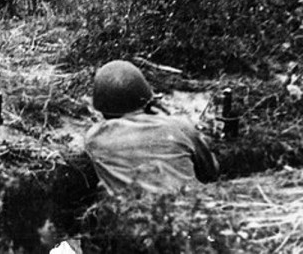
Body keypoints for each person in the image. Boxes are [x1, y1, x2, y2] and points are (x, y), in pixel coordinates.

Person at [84, 60, 219, 194]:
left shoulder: (93, 139)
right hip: (186, 210)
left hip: (130, 212)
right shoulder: (179, 126)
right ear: (146, 99)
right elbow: (211, 172)